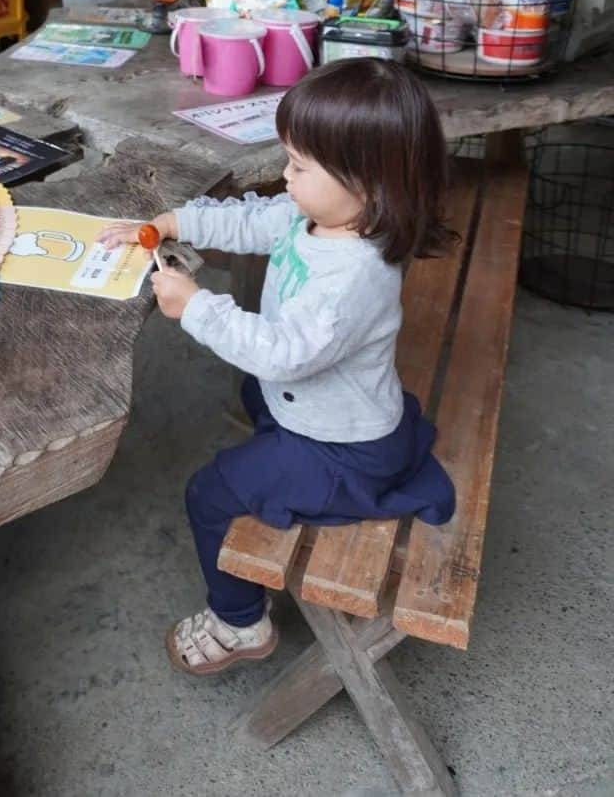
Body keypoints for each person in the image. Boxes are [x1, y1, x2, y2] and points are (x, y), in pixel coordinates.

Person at [99, 58, 457, 676]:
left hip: (344, 449)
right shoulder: (318, 215)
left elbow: (282, 355)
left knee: (208, 493)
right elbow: (249, 219)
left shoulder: (355, 277)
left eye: (298, 166)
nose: (284, 178)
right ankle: (281, 470)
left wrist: (196, 308)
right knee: (250, 390)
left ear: (367, 183)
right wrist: (172, 222)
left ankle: (240, 621)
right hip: (331, 410)